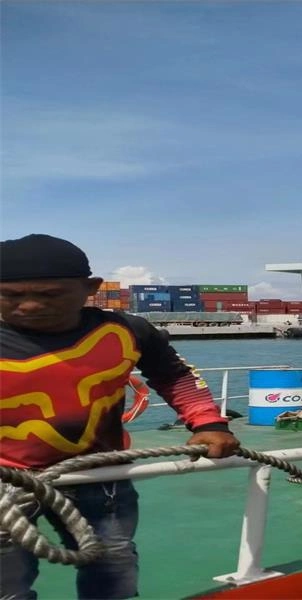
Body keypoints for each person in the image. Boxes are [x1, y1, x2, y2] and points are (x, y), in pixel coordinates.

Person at [0, 233, 242, 599]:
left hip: (100, 473)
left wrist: (208, 422)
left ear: (90, 288)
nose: (30, 306)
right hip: (6, 476)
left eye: (50, 295)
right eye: (11, 296)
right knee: (5, 576)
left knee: (112, 564)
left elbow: (173, 375)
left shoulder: (127, 331)